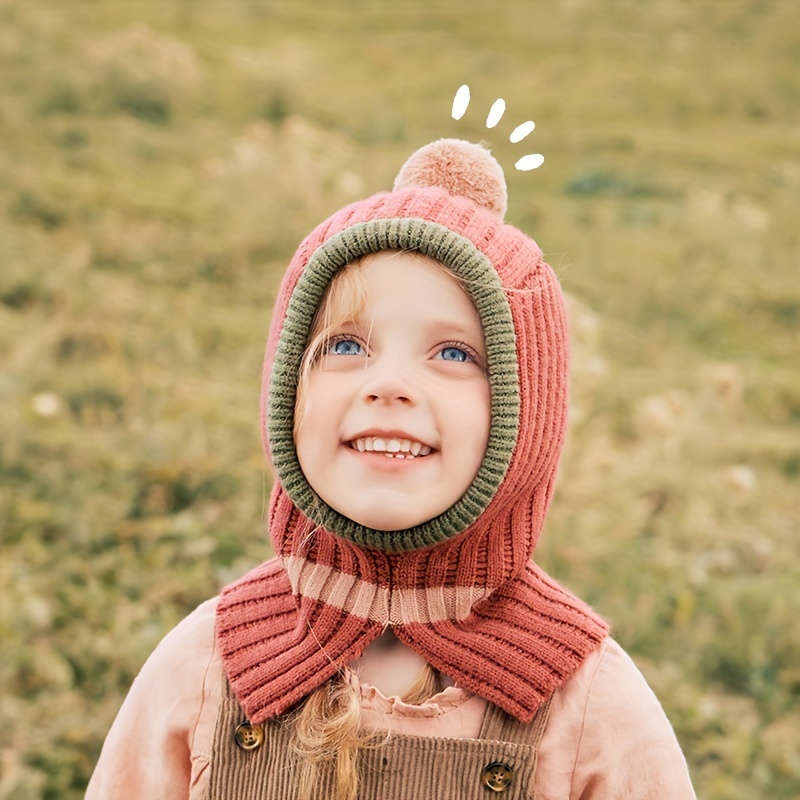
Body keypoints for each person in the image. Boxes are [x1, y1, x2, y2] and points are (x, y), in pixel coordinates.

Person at [86, 139, 696, 799]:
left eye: (454, 353)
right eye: (347, 345)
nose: (390, 384)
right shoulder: (208, 664)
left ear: (528, 413)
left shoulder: (588, 703)